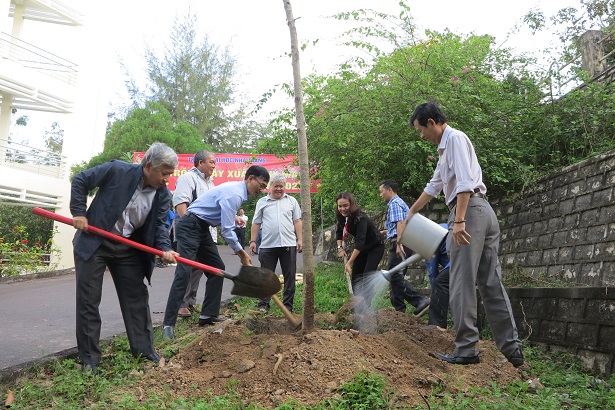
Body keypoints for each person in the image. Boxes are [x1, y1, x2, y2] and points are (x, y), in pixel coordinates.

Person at [404, 102, 523, 367]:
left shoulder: (455, 139)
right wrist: (410, 212)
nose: (421, 136)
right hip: (483, 212)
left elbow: (465, 183)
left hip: (468, 213)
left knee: (461, 281)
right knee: (490, 282)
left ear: (432, 123)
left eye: (420, 130)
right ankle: (512, 350)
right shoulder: (445, 150)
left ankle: (467, 348)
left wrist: (458, 220)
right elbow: (434, 185)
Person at [70, 142, 179, 375]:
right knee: (89, 301)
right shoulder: (117, 170)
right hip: (95, 242)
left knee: (136, 298)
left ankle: (144, 350)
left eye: (170, 174)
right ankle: (90, 359)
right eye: (164, 173)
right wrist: (79, 212)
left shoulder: (162, 194)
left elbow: (160, 225)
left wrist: (165, 248)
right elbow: (81, 180)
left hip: (128, 247)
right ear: (149, 166)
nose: (167, 179)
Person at [162, 165, 270, 340]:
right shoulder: (234, 194)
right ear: (250, 178)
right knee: (184, 272)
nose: (262, 190)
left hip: (202, 227)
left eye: (265, 187)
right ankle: (168, 324)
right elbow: (227, 231)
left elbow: (220, 216)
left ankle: (208, 315)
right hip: (190, 225)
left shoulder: (236, 193)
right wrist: (241, 252)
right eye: (262, 184)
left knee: (216, 268)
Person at [172, 150, 217, 318]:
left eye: (214, 162)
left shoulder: (210, 184)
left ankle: (190, 301)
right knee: (187, 267)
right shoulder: (187, 178)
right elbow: (181, 204)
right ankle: (180, 304)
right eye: (211, 162)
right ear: (200, 163)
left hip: (205, 233)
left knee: (199, 267)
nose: (214, 165)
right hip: (190, 232)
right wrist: (189, 229)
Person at [249, 174, 303, 313]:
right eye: (276, 186)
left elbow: (297, 221)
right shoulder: (262, 202)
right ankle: (263, 305)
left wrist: (300, 239)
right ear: (270, 187)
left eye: (281, 186)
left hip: (288, 244)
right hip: (268, 245)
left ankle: (287, 307)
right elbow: (256, 223)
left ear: (284, 187)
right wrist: (253, 241)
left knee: (289, 276)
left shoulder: (291, 201)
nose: (278, 189)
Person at [378, 180, 430, 316]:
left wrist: (399, 243)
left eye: (381, 191)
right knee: (396, 278)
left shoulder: (394, 203)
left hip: (399, 243)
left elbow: (401, 223)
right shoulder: (399, 202)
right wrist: (386, 232)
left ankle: (420, 301)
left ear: (389, 190)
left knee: (394, 276)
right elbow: (399, 223)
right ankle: (399, 311)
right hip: (401, 242)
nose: (380, 195)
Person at [335, 192, 385, 308]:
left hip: (375, 247)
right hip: (362, 249)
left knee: (367, 276)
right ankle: (357, 306)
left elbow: (360, 243)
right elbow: (338, 232)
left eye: (345, 205)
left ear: (351, 204)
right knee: (356, 277)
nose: (343, 209)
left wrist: (349, 263)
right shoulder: (342, 217)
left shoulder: (360, 218)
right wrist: (340, 248)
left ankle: (366, 307)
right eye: (340, 206)